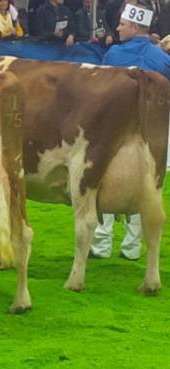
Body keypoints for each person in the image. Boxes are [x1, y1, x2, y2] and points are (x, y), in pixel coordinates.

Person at [91, 3, 170, 260]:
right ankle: (132, 247)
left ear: (135, 27)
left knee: (102, 180)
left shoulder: (113, 55)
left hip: (114, 132)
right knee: (144, 186)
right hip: (150, 135)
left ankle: (101, 244)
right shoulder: (163, 60)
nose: (117, 27)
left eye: (123, 24)